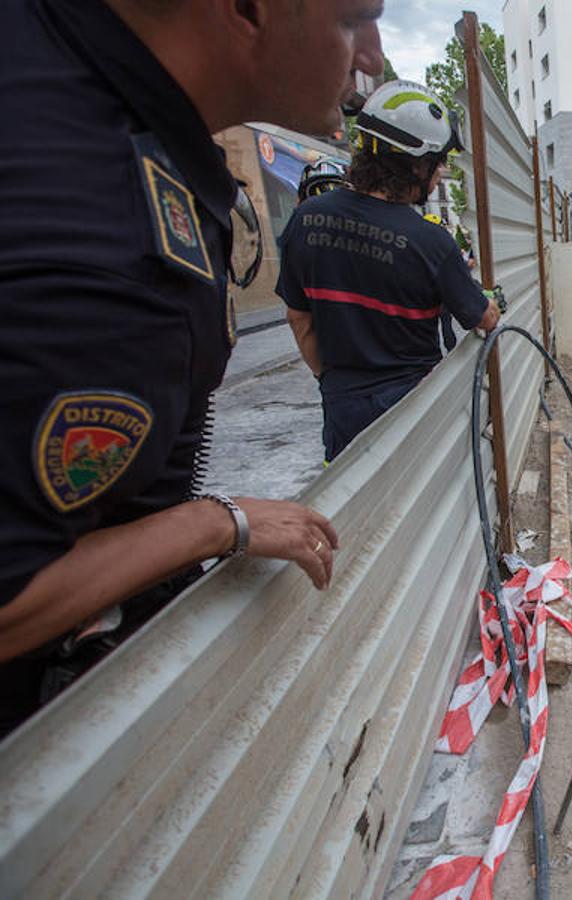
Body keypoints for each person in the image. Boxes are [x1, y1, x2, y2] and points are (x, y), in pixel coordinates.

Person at [0, 0, 383, 733]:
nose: (372, 56)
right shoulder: (95, 251)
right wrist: (212, 525)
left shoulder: (65, 78)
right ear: (246, 9)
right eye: (351, 21)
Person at [276, 80, 501, 464]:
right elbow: (484, 317)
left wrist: (334, 382)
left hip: (343, 409)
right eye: (437, 161)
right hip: (414, 406)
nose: (441, 171)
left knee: (349, 488)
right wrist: (491, 300)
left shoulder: (306, 219)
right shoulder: (430, 241)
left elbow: (299, 319)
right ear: (415, 163)